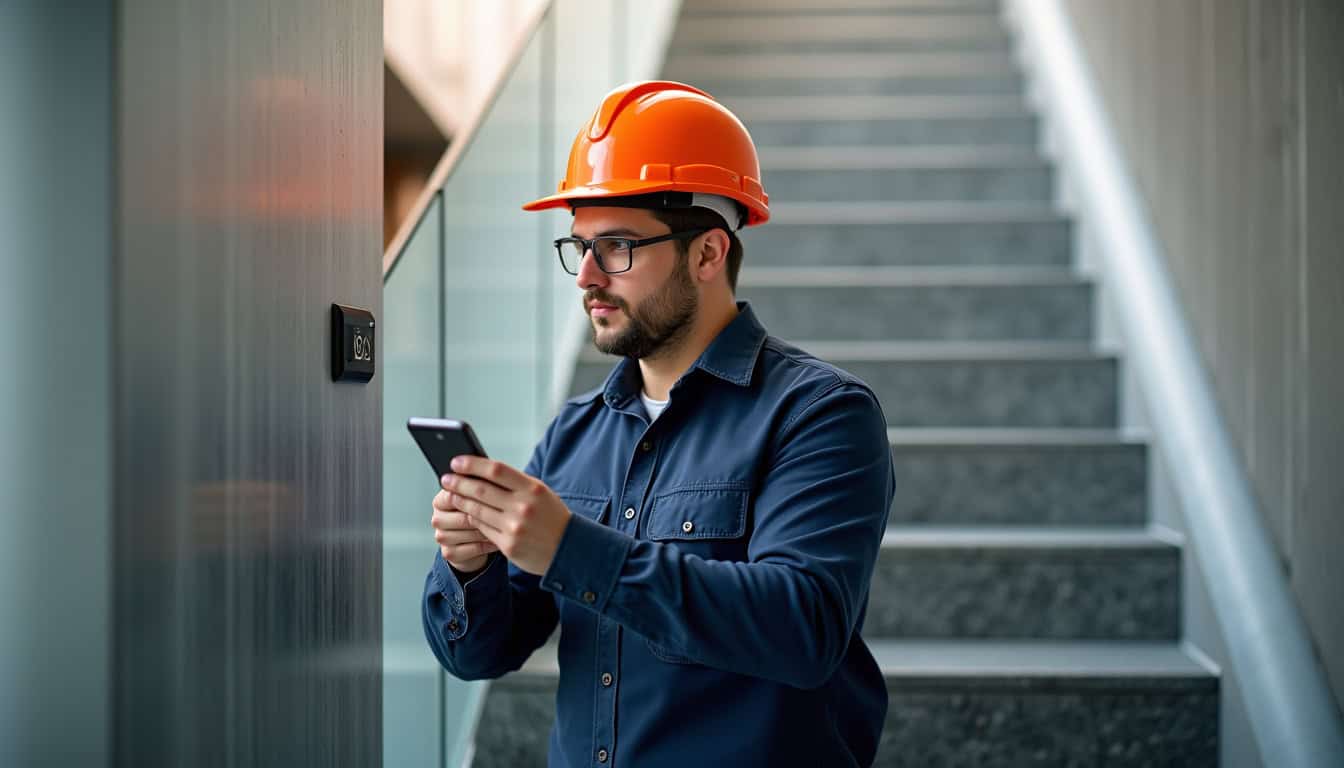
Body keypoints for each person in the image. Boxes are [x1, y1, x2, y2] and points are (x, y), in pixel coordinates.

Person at [422, 80, 895, 767]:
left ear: (707, 253)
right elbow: (481, 655)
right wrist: (470, 567)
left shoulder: (821, 415)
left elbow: (803, 627)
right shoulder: (575, 432)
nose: (586, 276)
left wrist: (570, 549)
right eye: (578, 245)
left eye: (616, 246)